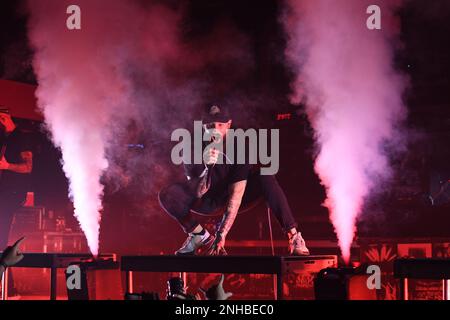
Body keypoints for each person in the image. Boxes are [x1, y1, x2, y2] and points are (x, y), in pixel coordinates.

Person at [159, 104, 309, 256]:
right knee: (168, 194)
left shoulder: (240, 147)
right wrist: (207, 168)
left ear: (228, 125)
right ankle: (199, 235)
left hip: (235, 196)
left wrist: (221, 233)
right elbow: (197, 193)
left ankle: (294, 236)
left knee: (265, 175)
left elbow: (235, 196)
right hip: (206, 199)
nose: (214, 130)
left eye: (220, 125)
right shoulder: (191, 148)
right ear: (203, 126)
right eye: (210, 125)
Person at [0, 108, 33, 250]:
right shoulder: (6, 139)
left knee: (3, 219)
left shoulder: (20, 138)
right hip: (5, 190)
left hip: (12, 191)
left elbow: (28, 167)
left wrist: (7, 166)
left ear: (4, 119)